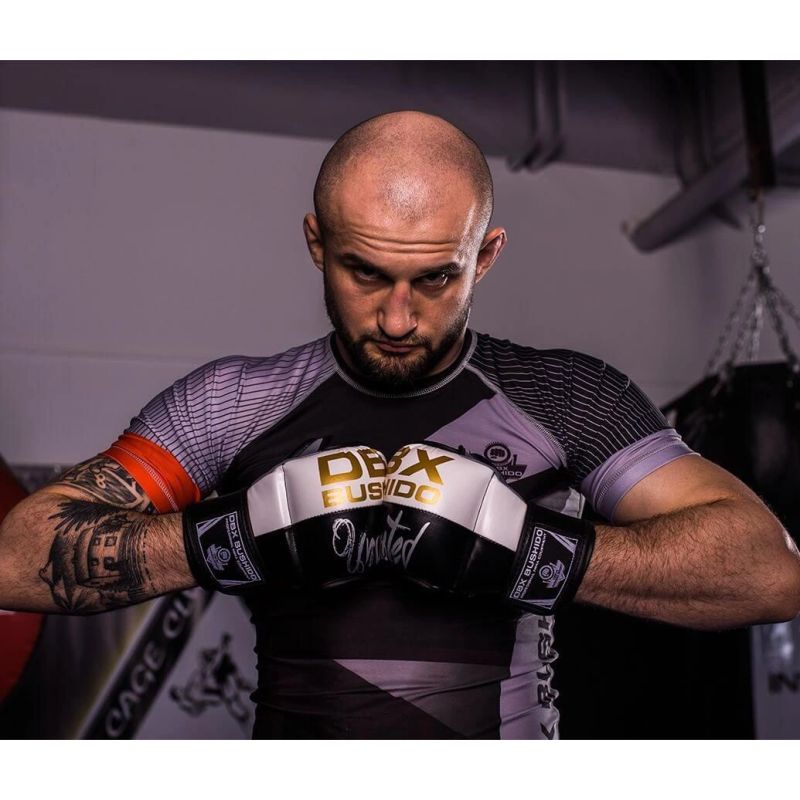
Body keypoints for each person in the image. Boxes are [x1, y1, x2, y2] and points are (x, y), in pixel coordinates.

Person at [1, 110, 799, 739]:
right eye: (365, 272)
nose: (396, 318)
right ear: (317, 244)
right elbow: (15, 562)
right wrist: (233, 542)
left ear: (484, 257)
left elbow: (770, 573)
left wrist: (531, 554)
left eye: (436, 278)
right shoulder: (232, 402)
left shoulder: (564, 395)